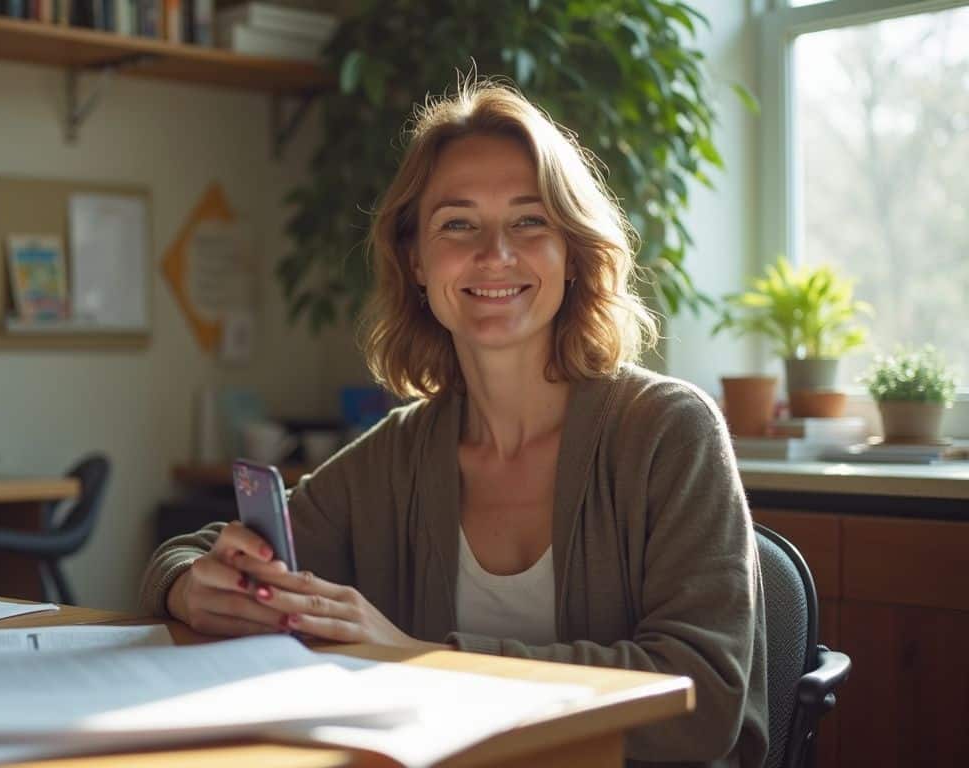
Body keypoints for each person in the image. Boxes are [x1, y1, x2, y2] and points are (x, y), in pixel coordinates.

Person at [141, 80, 766, 768]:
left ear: (573, 251)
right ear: (416, 260)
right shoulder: (398, 452)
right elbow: (191, 549)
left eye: (530, 221)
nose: (495, 252)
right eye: (458, 224)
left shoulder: (670, 433)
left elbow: (704, 702)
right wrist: (189, 584)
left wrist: (415, 657)